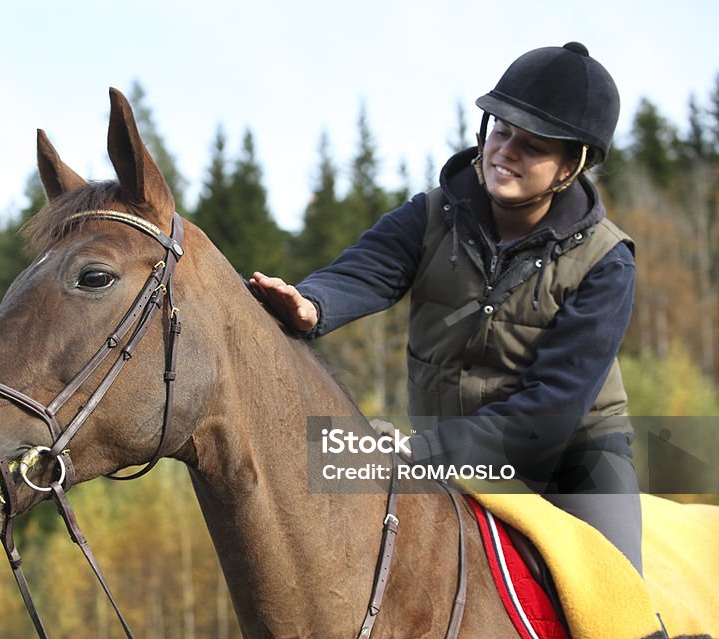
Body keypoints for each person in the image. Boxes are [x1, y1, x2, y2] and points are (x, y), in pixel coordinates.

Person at [248, 42, 643, 575]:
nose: (506, 152)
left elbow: (549, 414)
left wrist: (426, 450)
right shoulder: (432, 212)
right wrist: (313, 306)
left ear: (572, 166)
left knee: (616, 591)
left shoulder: (607, 263)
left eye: (532, 146)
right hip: (442, 438)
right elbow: (369, 268)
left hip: (574, 454)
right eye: (502, 131)